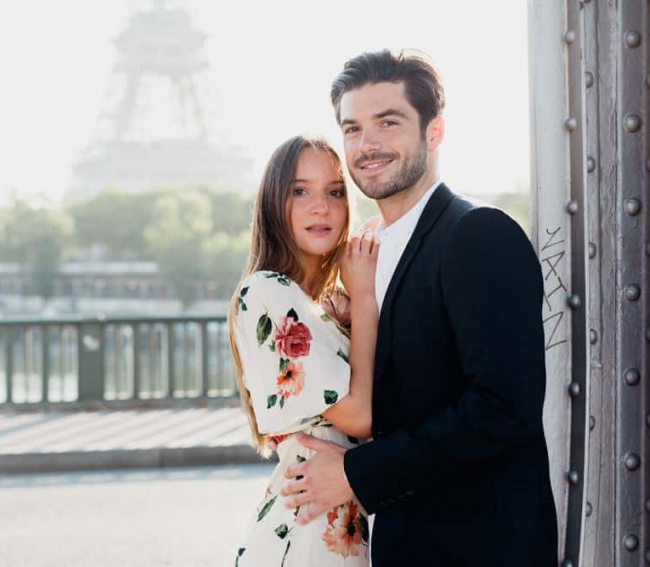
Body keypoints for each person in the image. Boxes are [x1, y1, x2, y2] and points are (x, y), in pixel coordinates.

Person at [279, 50, 559, 566]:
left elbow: (502, 409)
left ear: (435, 132)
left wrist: (355, 473)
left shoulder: (478, 233)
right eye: (353, 128)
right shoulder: (364, 254)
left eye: (389, 122)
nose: (368, 145)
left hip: (480, 549)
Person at [228, 135, 381, 566]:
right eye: (300, 191)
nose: (322, 207)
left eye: (335, 191)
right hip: (307, 534)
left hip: (337, 523)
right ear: (273, 203)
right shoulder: (267, 292)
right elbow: (359, 414)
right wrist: (366, 300)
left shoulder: (328, 305)